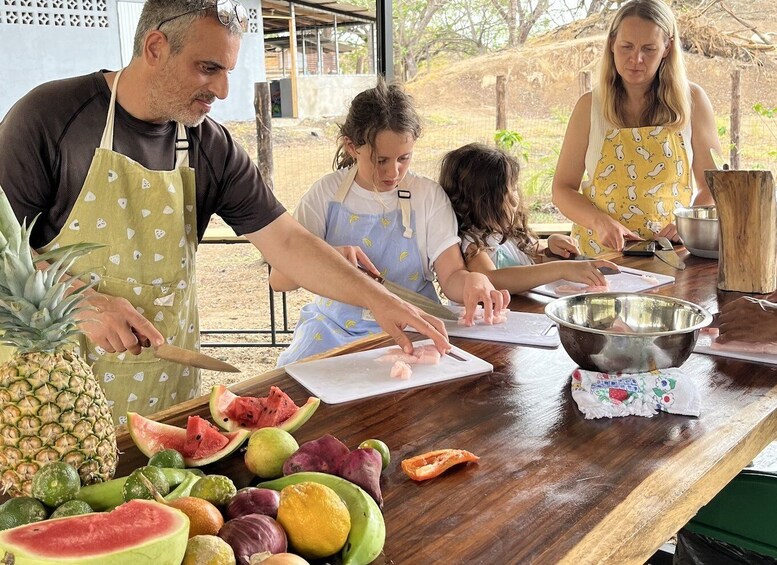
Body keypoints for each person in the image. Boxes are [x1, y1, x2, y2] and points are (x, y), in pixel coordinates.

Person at [0, 0, 452, 424]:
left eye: (228, 71)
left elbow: (289, 243)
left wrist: (379, 299)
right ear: (155, 47)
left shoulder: (209, 145)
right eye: (208, 68)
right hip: (45, 391)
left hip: (161, 383)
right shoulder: (50, 118)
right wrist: (83, 301)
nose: (222, 89)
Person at [270, 82, 509, 365]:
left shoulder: (428, 196)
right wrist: (328, 257)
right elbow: (279, 280)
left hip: (415, 326)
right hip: (335, 330)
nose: (393, 172)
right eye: (380, 160)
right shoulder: (324, 194)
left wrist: (473, 280)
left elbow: (452, 276)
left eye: (403, 159)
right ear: (351, 146)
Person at [552, 0, 723, 255]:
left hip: (670, 254)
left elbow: (713, 184)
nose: (636, 59)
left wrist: (685, 222)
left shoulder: (693, 101)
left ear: (667, 47)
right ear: (611, 44)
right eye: (626, 47)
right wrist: (600, 222)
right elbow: (562, 189)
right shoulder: (589, 106)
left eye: (649, 49)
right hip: (602, 258)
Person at [439, 143, 620, 293]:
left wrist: (550, 249)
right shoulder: (472, 242)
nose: (515, 199)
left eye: (515, 189)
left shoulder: (508, 236)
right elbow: (491, 279)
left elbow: (532, 263)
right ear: (479, 201)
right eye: (506, 192)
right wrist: (561, 269)